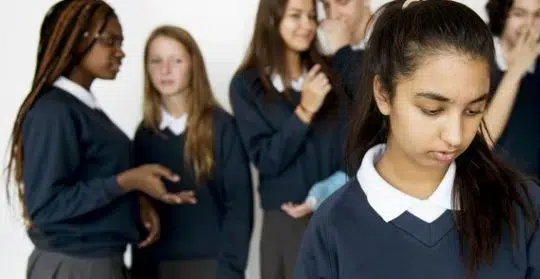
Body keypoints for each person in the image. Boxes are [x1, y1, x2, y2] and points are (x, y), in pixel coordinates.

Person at [293, 1, 540, 278]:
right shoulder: (333, 226)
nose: (455, 136)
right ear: (384, 94)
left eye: (473, 111)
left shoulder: (524, 207)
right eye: (432, 110)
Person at [7, 1, 195, 278]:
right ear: (76, 40)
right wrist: (128, 181)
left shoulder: (84, 109)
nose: (121, 52)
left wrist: (134, 203)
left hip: (98, 262)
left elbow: (91, 178)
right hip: (76, 265)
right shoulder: (55, 111)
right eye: (110, 41)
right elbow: (46, 206)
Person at [228, 0, 353, 278]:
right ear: (272, 19)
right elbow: (267, 161)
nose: (307, 25)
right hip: (285, 223)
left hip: (336, 214)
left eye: (311, 16)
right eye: (296, 16)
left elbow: (352, 147)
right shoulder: (248, 85)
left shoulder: (332, 74)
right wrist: (305, 111)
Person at [130, 25, 253, 279]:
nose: (165, 70)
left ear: (193, 65)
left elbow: (240, 208)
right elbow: (139, 212)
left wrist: (230, 271)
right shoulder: (144, 133)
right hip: (155, 269)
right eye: (156, 61)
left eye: (176, 60)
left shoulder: (222, 127)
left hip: (211, 266)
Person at [483, 0, 540, 196]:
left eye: (538, 15)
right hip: (487, 194)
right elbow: (481, 140)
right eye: (519, 14)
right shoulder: (477, 61)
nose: (529, 24)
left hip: (535, 196)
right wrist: (516, 70)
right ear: (502, 16)